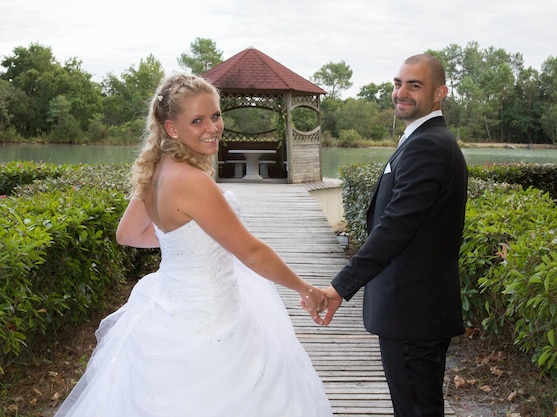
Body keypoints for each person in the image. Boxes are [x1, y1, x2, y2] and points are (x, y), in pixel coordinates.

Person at [54, 73, 332, 417]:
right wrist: (306, 289)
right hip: (210, 314)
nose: (213, 127)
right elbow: (251, 251)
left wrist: (184, 245)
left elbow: (127, 234)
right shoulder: (192, 181)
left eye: (215, 115)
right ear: (172, 128)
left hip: (170, 302)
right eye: (197, 120)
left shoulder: (156, 171)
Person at [318, 54, 468, 417]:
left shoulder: (428, 145)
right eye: (398, 83)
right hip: (415, 310)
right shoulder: (421, 139)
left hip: (413, 312)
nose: (401, 92)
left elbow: (396, 226)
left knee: (416, 409)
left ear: (439, 93)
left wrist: (339, 287)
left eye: (414, 85)